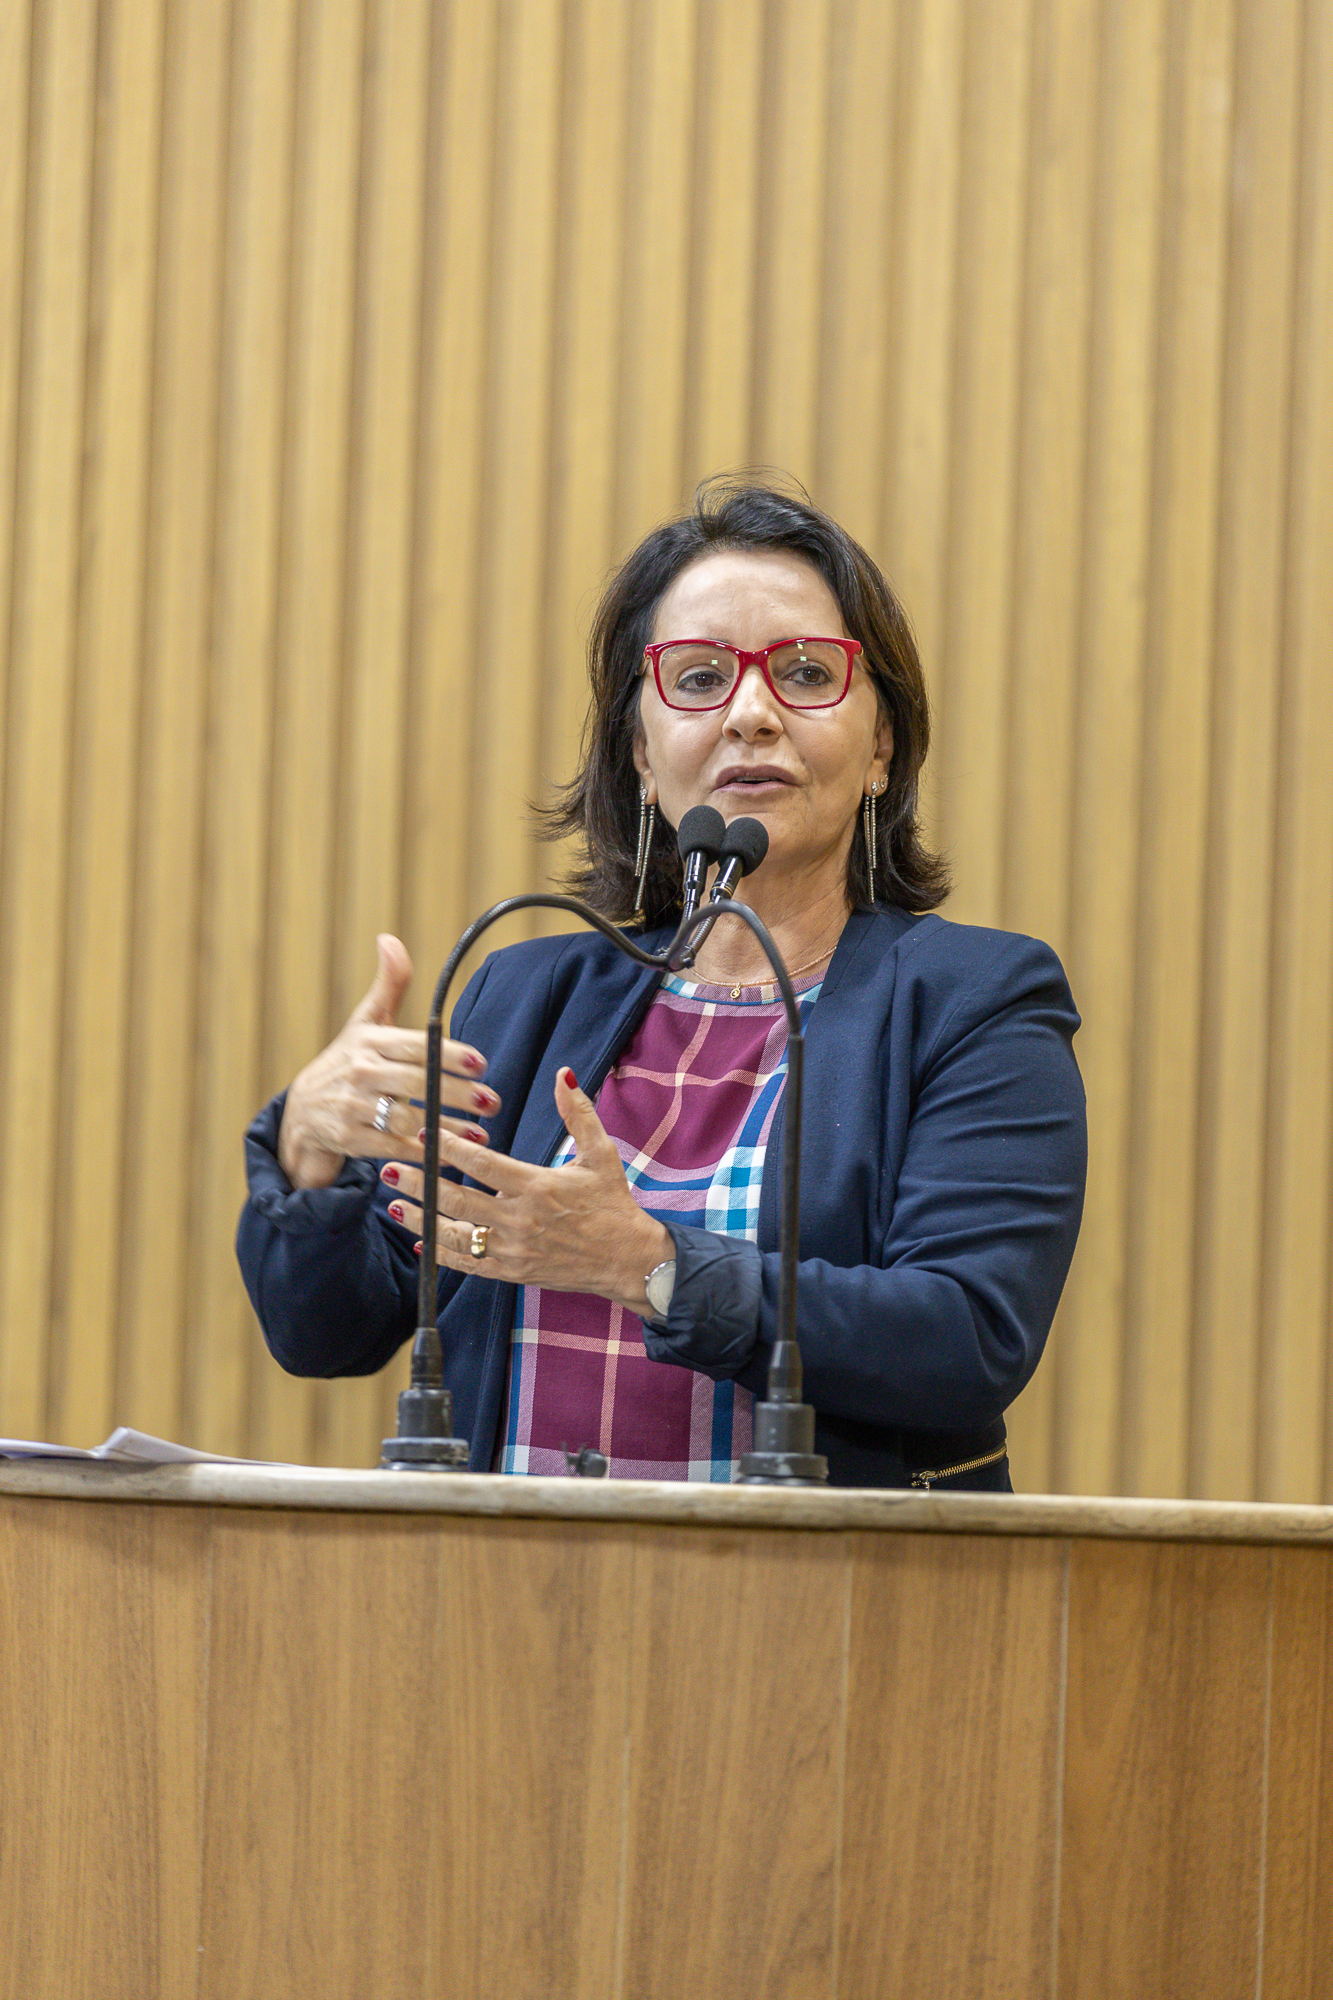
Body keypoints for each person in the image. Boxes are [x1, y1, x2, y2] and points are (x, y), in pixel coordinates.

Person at [237, 478, 1086, 1488]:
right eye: (698, 678)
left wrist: (643, 1264)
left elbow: (965, 1337)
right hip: (504, 1577)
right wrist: (311, 1145)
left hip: (829, 1585)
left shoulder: (973, 1001)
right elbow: (327, 1329)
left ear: (881, 749)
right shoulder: (523, 995)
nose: (751, 713)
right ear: (641, 755)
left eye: (806, 673)